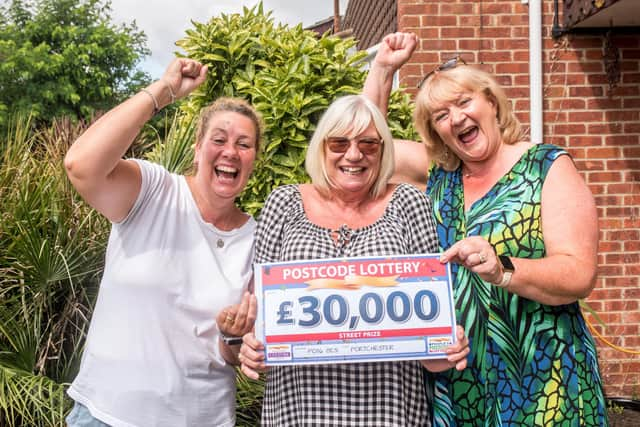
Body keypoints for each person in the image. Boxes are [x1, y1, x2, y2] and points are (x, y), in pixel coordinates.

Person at [367, 36, 609, 425]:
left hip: (545, 378)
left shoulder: (546, 167)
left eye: (464, 103)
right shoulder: (439, 177)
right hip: (460, 380)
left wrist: (503, 269)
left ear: (492, 103)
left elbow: (579, 272)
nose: (456, 118)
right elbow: (368, 146)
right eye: (441, 115)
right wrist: (382, 69)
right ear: (437, 132)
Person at [238, 75, 470, 425]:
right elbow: (260, 320)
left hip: (390, 412)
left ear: (383, 150)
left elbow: (432, 336)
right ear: (321, 148)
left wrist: (448, 344)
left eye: (368, 144)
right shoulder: (284, 202)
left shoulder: (409, 203)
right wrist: (252, 347)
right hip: (300, 412)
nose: (353, 154)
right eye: (339, 142)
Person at [64, 58, 259, 427]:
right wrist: (162, 92)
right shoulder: (153, 190)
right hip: (107, 416)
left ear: (253, 161)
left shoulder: (257, 237)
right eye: (219, 140)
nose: (230, 152)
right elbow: (81, 165)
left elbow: (232, 354)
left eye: (244, 144)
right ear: (198, 149)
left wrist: (232, 337)